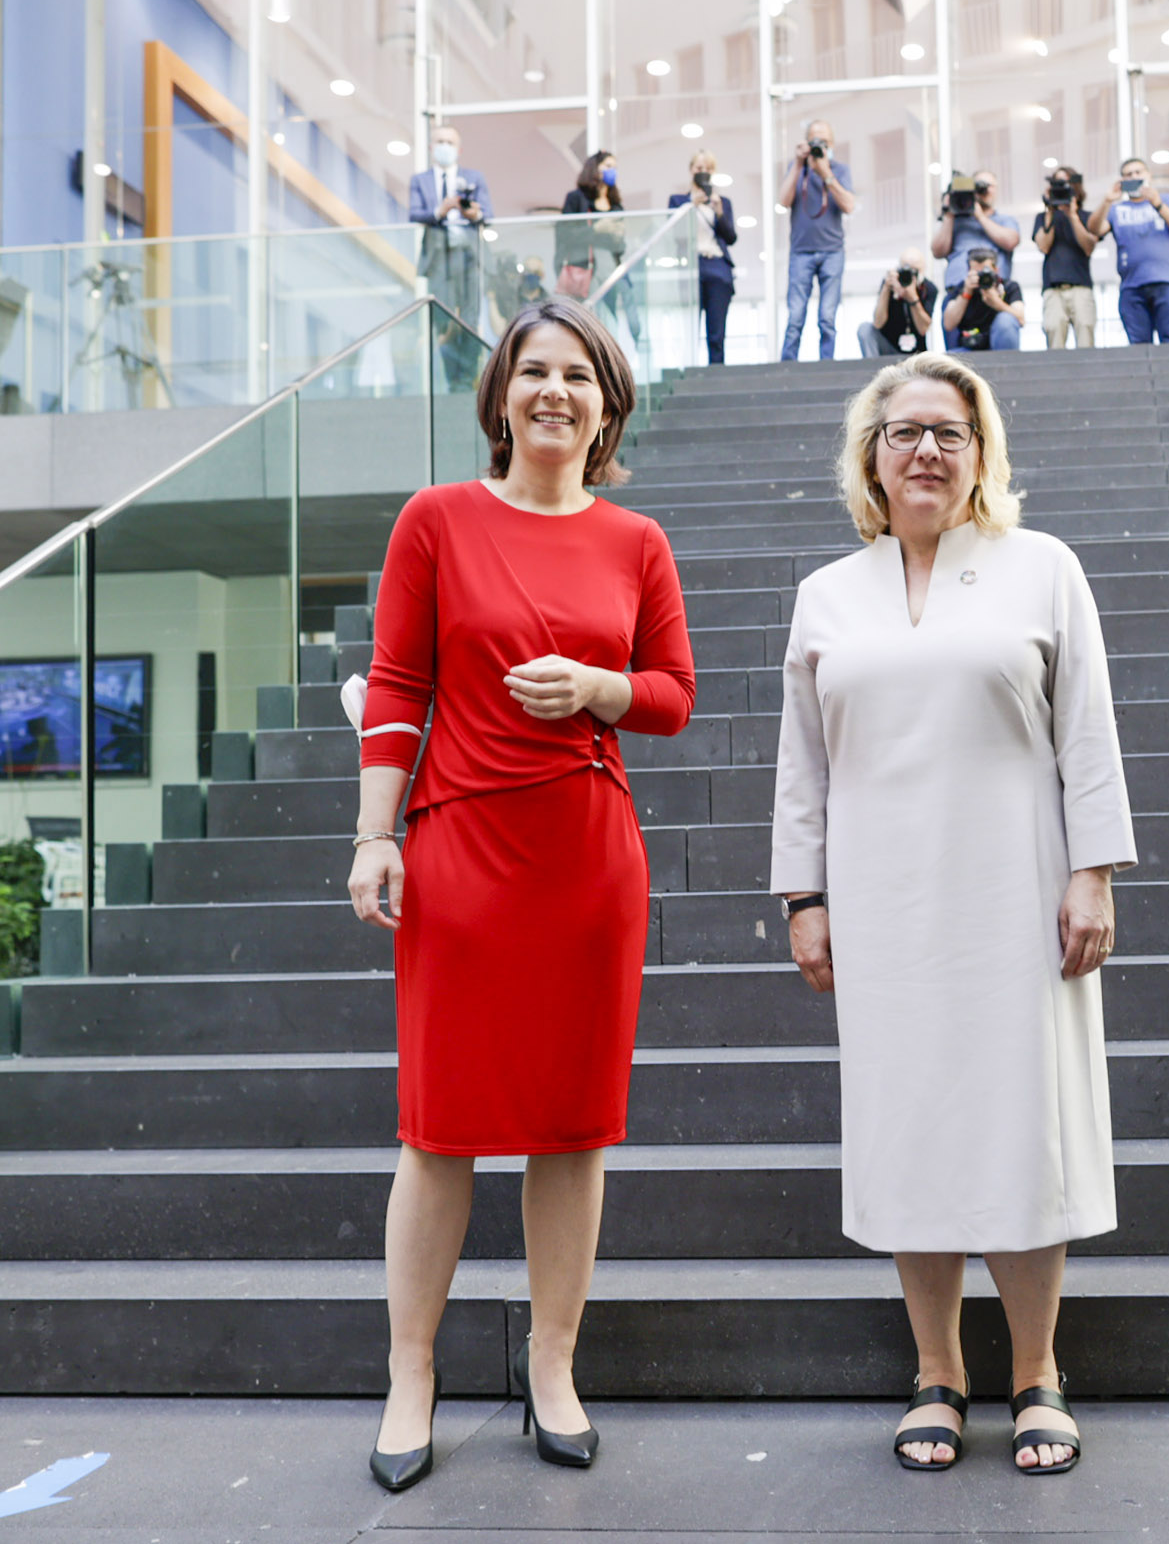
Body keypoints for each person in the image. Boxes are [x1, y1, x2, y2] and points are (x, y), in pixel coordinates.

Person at [350, 296, 696, 1491]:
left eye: (579, 376)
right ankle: (412, 1371)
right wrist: (372, 837)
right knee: (438, 1129)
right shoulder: (436, 521)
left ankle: (554, 1363)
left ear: (607, 408)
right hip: (459, 850)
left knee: (574, 1130)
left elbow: (671, 694)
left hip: (586, 858)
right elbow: (396, 681)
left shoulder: (635, 540)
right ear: (500, 397)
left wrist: (600, 685)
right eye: (534, 371)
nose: (555, 390)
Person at [771, 351, 1137, 1477]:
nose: (925, 449)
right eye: (903, 432)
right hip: (881, 900)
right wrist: (804, 892)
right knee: (909, 1125)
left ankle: (1036, 1373)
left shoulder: (1041, 568)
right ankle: (937, 1369)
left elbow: (1086, 728)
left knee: (1026, 1126)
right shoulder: (829, 592)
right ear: (869, 457)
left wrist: (1094, 871)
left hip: (1018, 889)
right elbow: (802, 763)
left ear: (980, 456)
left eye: (949, 432)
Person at [408, 124, 493, 382]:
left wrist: (472, 213)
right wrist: (440, 211)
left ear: (459, 149)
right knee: (442, 317)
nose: (445, 146)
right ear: (431, 147)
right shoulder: (420, 180)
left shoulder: (474, 177)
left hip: (469, 255)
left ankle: (467, 379)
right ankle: (450, 380)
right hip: (438, 255)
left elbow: (487, 214)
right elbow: (414, 213)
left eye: (450, 142)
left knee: (469, 316)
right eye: (440, 141)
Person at [778, 119, 856, 361]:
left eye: (823, 141)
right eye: (814, 140)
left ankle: (827, 365)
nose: (819, 145)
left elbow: (849, 205)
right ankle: (787, 366)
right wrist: (799, 164)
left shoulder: (839, 170)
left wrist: (826, 174)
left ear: (831, 144)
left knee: (828, 317)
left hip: (832, 251)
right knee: (796, 315)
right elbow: (783, 201)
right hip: (801, 251)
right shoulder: (797, 168)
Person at [1087, 157, 1169, 344]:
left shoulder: (1166, 200)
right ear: (1122, 180)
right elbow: (1094, 228)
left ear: (1148, 175)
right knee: (1139, 346)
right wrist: (1107, 201)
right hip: (1132, 287)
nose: (1134, 176)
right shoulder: (1116, 209)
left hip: (1166, 282)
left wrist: (1157, 203)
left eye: (1138, 172)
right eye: (1128, 174)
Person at [561, 151, 640, 344]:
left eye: (614, 167)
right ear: (594, 168)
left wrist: (615, 234)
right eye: (607, 166)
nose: (612, 170)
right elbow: (565, 235)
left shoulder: (616, 206)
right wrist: (597, 229)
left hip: (610, 270)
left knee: (609, 321)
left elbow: (620, 246)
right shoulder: (576, 199)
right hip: (584, 269)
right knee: (584, 320)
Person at [669, 150, 738, 364]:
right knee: (690, 325)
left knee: (716, 331)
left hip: (717, 265)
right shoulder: (678, 201)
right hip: (692, 265)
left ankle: (716, 371)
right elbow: (674, 234)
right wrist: (692, 205)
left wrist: (718, 212)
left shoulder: (722, 202)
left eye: (708, 169)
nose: (703, 172)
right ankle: (689, 370)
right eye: (699, 168)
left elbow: (731, 237)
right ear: (691, 170)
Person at [1031, 166, 1099, 349]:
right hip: (1053, 288)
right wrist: (1050, 210)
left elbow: (1088, 247)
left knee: (1086, 335)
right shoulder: (1043, 218)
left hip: (1081, 286)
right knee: (1054, 335)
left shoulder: (1087, 217)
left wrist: (1072, 215)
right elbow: (1043, 246)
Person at [930, 167, 1022, 290]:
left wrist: (980, 216)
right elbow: (937, 252)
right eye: (979, 186)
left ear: (996, 190)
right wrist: (949, 213)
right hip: (958, 288)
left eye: (988, 185)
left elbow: (1011, 242)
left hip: (994, 289)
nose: (984, 190)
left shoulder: (1005, 220)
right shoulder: (956, 221)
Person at [858, 247, 939, 357]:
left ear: (923, 270)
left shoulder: (928, 288)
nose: (911, 275)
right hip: (889, 349)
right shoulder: (890, 285)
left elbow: (923, 329)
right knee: (865, 328)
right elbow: (877, 323)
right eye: (907, 269)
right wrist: (886, 288)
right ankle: (872, 369)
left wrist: (913, 298)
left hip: (916, 355)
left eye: (915, 271)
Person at [943, 247, 1025, 351]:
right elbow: (948, 324)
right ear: (969, 272)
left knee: (1005, 320)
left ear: (996, 270)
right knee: (949, 358)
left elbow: (1021, 319)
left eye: (986, 272)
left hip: (999, 348)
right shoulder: (961, 289)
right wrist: (966, 294)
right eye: (977, 273)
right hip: (970, 349)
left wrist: (997, 303)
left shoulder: (1009, 287)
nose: (982, 277)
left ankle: (1007, 363)